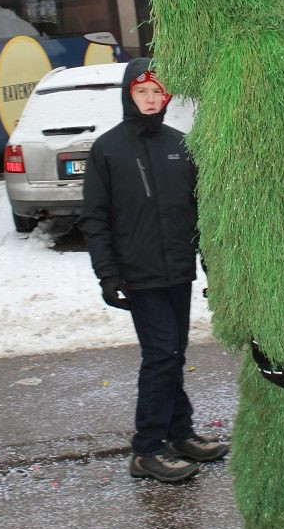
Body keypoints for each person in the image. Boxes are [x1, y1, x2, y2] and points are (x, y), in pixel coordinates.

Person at [80, 57, 228, 483]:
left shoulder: (181, 146)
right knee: (162, 355)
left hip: (177, 270)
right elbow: (95, 218)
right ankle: (147, 448)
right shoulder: (108, 150)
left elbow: (200, 213)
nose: (150, 99)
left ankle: (179, 433)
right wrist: (108, 275)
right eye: (142, 91)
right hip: (138, 274)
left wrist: (212, 268)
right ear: (129, 95)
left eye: (157, 92)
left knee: (171, 354)